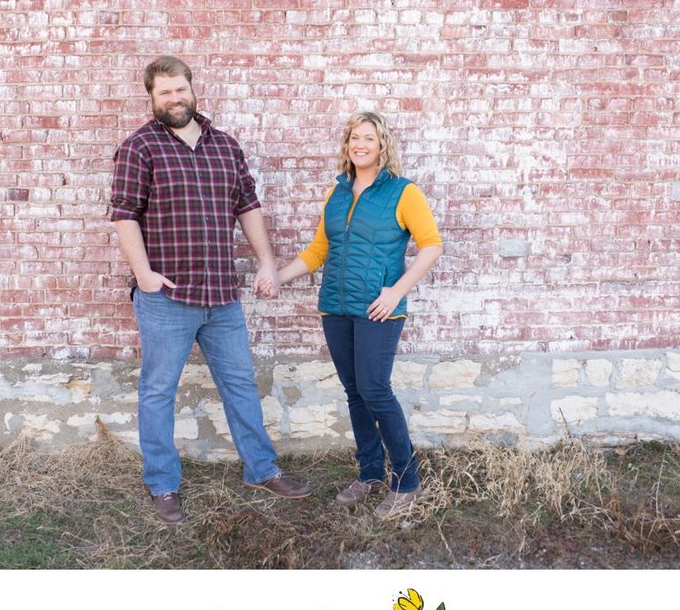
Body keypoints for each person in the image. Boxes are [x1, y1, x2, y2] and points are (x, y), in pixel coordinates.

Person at [110, 55, 310, 525]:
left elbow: (248, 207)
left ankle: (261, 469)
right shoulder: (139, 147)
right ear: (152, 97)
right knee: (158, 391)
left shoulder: (225, 146)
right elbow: (123, 216)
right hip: (167, 298)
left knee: (240, 383)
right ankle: (163, 485)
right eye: (164, 92)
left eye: (179, 89)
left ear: (192, 89)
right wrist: (144, 275)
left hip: (222, 295)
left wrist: (266, 263)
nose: (174, 98)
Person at [274, 111, 442, 519]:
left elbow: (431, 246)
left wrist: (395, 292)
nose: (360, 144)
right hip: (336, 308)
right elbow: (318, 251)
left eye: (369, 138)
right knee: (355, 393)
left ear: (382, 145)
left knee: (375, 390)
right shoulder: (337, 194)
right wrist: (279, 277)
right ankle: (369, 474)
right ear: (346, 145)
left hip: (377, 310)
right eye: (354, 138)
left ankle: (406, 482)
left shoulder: (404, 192)